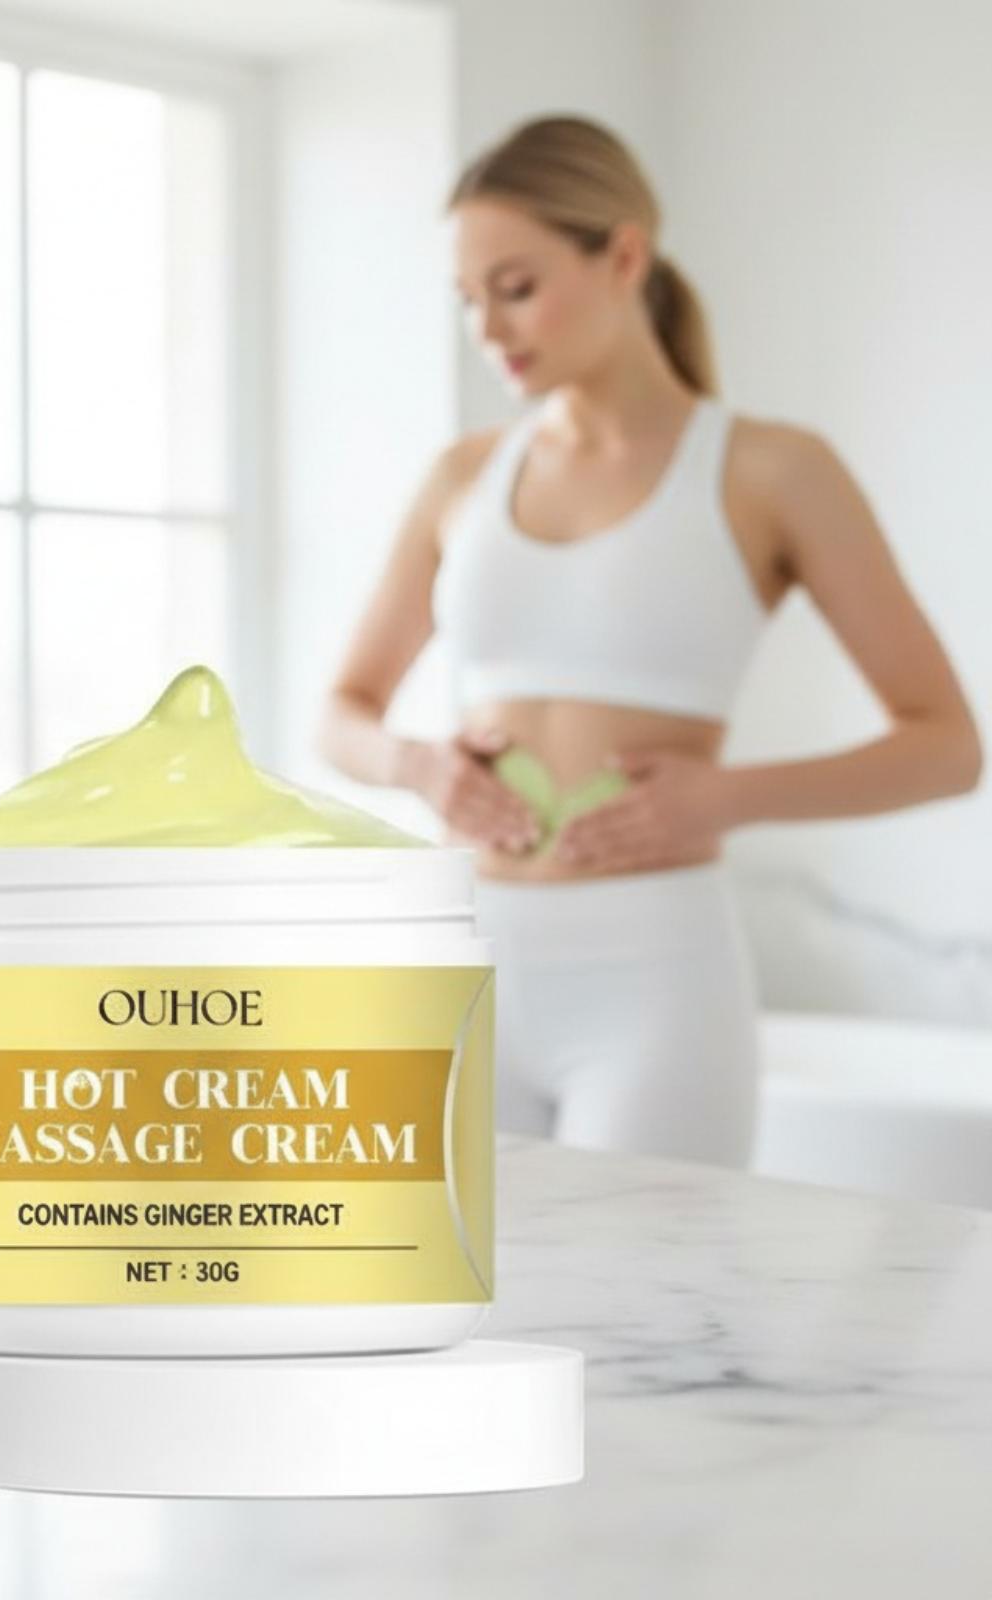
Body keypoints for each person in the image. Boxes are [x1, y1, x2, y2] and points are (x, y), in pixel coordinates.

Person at [315, 115, 983, 1169]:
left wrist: (724, 797)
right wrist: (418, 765)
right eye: (467, 298)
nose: (488, 327)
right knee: (457, 1278)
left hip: (653, 981)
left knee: (642, 1281)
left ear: (623, 256)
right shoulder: (462, 476)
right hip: (458, 961)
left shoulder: (773, 472)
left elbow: (946, 745)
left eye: (515, 287)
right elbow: (340, 711)